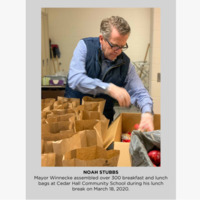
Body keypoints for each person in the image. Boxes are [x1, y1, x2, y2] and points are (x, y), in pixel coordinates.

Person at [65, 16, 154, 132]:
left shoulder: (125, 64)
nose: (119, 51)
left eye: (122, 46)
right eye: (114, 45)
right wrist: (108, 88)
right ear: (101, 38)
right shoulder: (84, 47)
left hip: (103, 121)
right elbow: (75, 79)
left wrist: (147, 112)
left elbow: (140, 92)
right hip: (75, 118)